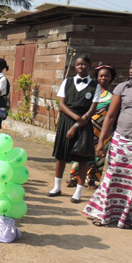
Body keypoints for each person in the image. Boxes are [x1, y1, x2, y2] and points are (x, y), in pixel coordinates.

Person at [84, 54, 132, 228]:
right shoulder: (122, 88)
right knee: (112, 176)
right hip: (121, 140)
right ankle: (102, 214)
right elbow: (111, 116)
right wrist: (101, 142)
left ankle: (128, 217)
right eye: (131, 66)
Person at [48, 55, 101, 203]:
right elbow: (62, 104)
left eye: (84, 64)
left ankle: (78, 191)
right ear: (75, 66)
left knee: (83, 159)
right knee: (61, 156)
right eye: (78, 64)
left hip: (84, 123)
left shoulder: (95, 85)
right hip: (67, 120)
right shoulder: (68, 82)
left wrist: (79, 123)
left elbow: (93, 108)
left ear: (89, 66)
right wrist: (77, 119)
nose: (80, 67)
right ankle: (57, 187)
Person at [68, 64, 116, 189]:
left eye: (107, 76)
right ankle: (74, 177)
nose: (104, 78)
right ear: (97, 77)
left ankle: (92, 179)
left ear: (111, 78)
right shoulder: (91, 91)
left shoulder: (113, 96)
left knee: (99, 155)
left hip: (103, 130)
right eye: (101, 76)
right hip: (88, 127)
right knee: (82, 150)